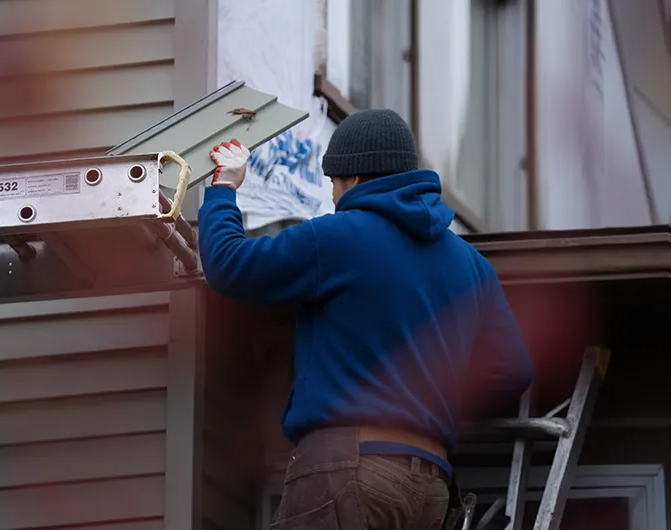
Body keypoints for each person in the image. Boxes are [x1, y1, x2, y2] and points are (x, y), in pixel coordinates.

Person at [197, 109, 534, 529]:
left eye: (333, 184)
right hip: (430, 488)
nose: (333, 198)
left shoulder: (339, 237)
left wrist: (223, 190)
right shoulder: (471, 264)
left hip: (348, 469)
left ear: (352, 179)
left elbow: (230, 265)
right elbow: (514, 369)